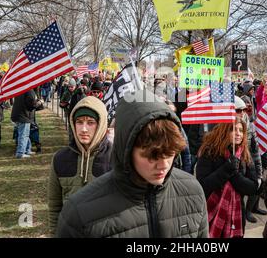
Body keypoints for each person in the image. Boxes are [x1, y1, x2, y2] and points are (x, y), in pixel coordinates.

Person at [55, 89, 208, 237]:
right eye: (152, 156)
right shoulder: (79, 213)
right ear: (126, 149)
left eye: (169, 153)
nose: (164, 165)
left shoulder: (193, 192)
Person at [48, 96, 113, 237]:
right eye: (79, 122)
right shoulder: (60, 159)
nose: (83, 129)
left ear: (101, 124)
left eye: (90, 123)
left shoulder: (116, 158)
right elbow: (54, 206)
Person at [196, 117, 260, 238]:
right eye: (233, 129)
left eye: (241, 130)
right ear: (224, 131)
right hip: (211, 212)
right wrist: (225, 169)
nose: (238, 134)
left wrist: (235, 175)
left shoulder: (245, 154)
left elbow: (252, 188)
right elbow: (202, 186)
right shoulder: (209, 152)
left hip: (237, 215)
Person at [11, 89, 43, 159]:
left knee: (25, 134)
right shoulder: (29, 91)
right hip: (24, 115)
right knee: (23, 135)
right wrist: (39, 103)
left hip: (18, 114)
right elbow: (31, 105)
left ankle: (27, 150)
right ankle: (20, 152)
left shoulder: (21, 89)